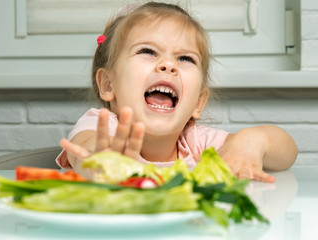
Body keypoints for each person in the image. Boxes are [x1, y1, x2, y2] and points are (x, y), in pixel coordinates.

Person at [57, 2, 298, 183]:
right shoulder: (102, 126)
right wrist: (98, 160)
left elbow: (287, 153)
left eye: (184, 58)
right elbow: (85, 147)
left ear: (198, 103)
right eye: (148, 52)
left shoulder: (194, 142)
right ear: (108, 84)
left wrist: (251, 141)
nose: (168, 65)